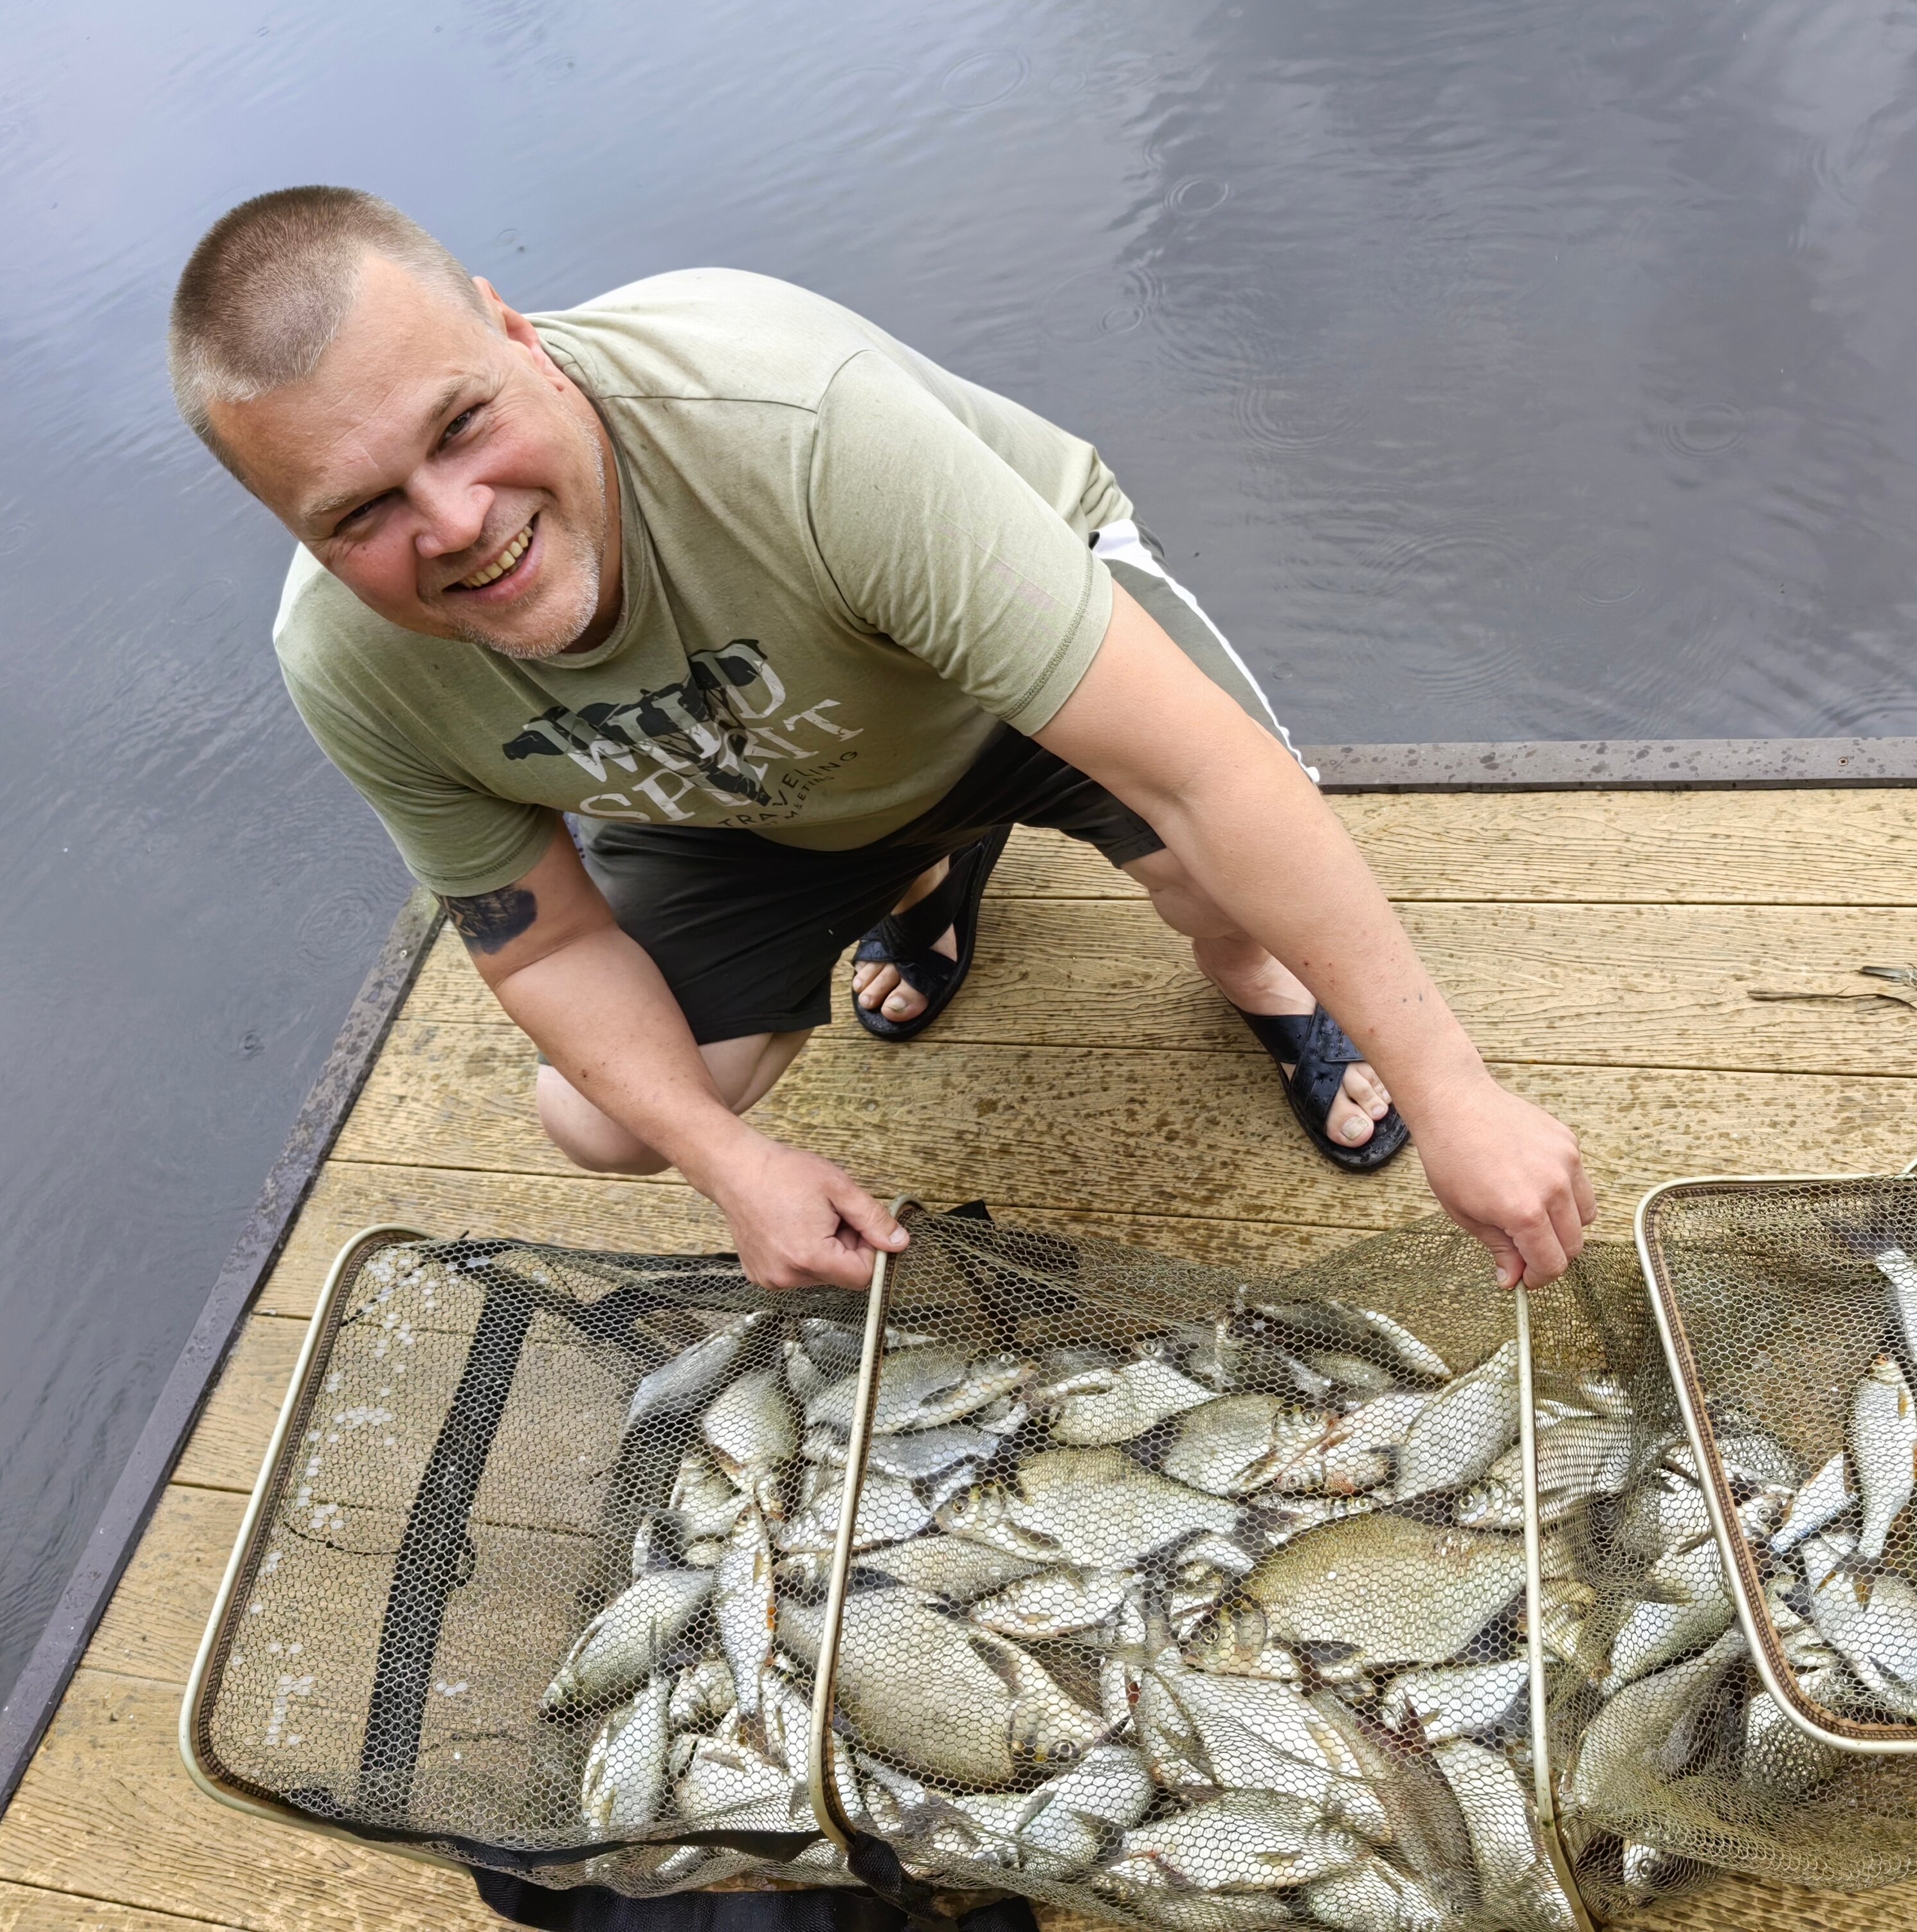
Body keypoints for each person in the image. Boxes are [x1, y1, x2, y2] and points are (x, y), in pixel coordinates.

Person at [168, 186, 1594, 1290]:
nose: (458, 525)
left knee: (1223, 876)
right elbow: (540, 947)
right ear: (291, 526)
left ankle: (1249, 974)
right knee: (601, 1121)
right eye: (360, 513)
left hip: (1006, 672)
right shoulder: (344, 667)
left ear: (515, 334)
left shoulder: (794, 425)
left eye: (462, 425)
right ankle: (923, 867)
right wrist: (733, 1168)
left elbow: (1202, 772)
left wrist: (1452, 1093)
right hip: (759, 783)